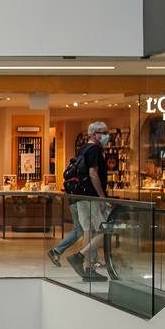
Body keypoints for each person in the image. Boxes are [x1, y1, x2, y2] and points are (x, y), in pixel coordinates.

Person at [60, 121, 111, 283]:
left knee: (89, 231)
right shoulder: (95, 150)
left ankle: (89, 269)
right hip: (91, 197)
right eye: (103, 132)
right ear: (94, 134)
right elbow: (93, 173)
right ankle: (79, 256)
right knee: (105, 229)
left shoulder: (82, 149)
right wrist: (102, 196)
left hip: (80, 197)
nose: (106, 135)